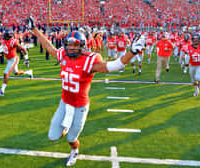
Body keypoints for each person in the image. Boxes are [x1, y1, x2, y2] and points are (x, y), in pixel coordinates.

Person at [26, 17, 145, 167]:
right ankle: (66, 126)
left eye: (75, 45)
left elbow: (114, 65)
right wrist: (34, 29)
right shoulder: (64, 55)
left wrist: (132, 53)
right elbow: (49, 47)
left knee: (71, 139)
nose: (71, 48)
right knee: (52, 136)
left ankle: (74, 152)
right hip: (64, 102)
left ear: (82, 46)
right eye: (69, 45)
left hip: (80, 106)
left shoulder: (89, 60)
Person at [0, 20, 34, 97]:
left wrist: (26, 59)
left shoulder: (13, 42)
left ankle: (2, 91)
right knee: (16, 73)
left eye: (5, 35)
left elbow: (23, 49)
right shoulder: (4, 39)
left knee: (6, 73)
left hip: (13, 59)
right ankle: (29, 72)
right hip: (9, 59)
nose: (3, 35)